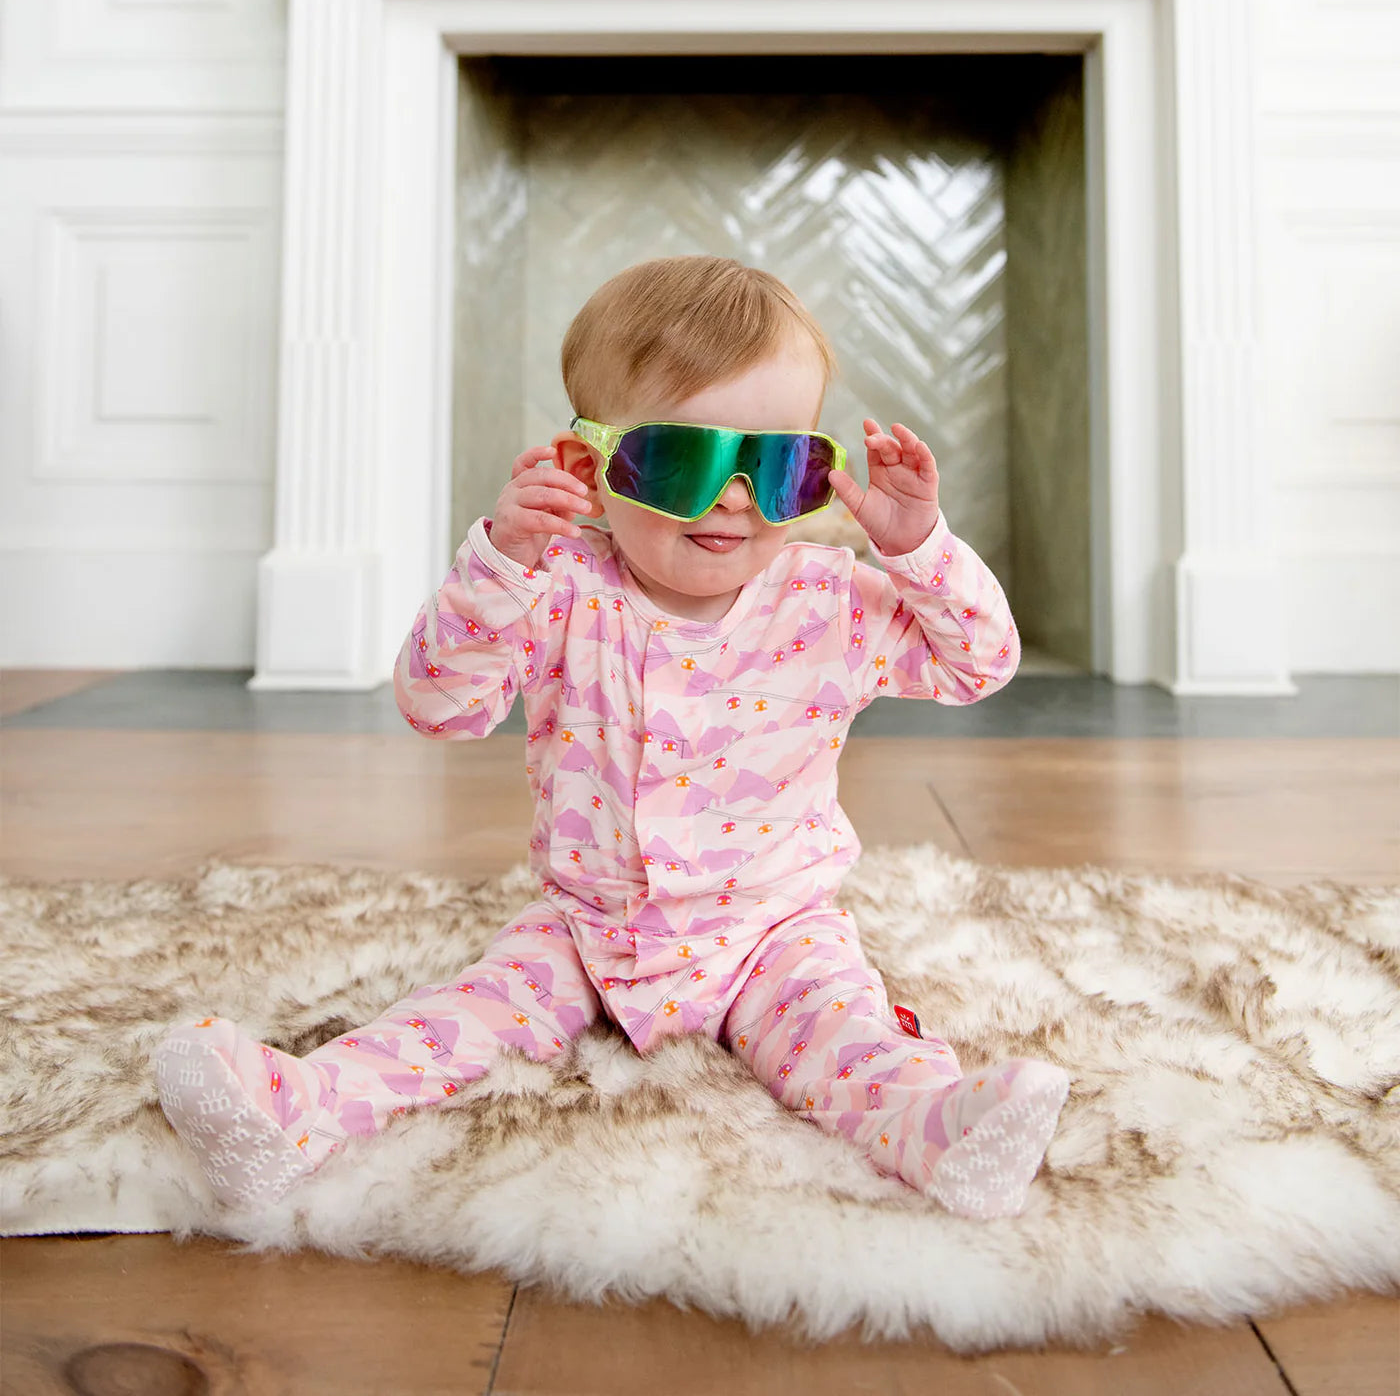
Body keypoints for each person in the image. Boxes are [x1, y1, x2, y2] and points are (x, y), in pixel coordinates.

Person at [155, 256, 1070, 1218]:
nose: (735, 498)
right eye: (684, 462)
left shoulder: (828, 599)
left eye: (777, 467)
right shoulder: (554, 588)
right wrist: (498, 564)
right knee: (464, 1015)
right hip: (589, 928)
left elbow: (981, 664)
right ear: (590, 470)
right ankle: (298, 1112)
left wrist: (919, 545)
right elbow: (438, 704)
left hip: (773, 930)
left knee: (843, 1033)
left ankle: (935, 1129)